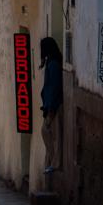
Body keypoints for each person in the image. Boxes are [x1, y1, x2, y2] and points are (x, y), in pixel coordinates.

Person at [40, 37, 63, 174]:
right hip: (49, 106)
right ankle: (51, 161)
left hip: (52, 107)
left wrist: (51, 110)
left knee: (50, 133)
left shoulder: (53, 64)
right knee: (47, 133)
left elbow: (54, 87)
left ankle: (54, 162)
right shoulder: (50, 62)